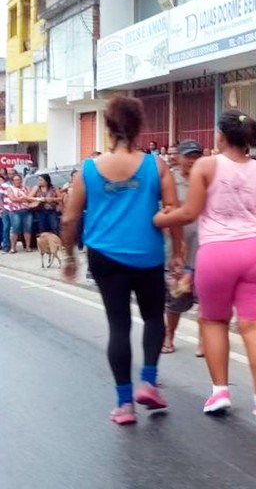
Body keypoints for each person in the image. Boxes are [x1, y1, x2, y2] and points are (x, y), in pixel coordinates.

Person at [153, 111, 256, 421]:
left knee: (214, 321)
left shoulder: (206, 165)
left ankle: (220, 392)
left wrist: (159, 219)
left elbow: (190, 212)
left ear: (221, 134)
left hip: (217, 252)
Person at [60, 96, 183, 425]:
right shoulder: (156, 166)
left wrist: (68, 256)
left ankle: (124, 404)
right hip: (147, 254)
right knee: (154, 318)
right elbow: (173, 213)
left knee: (119, 325)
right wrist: (180, 255)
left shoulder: (88, 169)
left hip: (104, 256)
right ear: (140, 126)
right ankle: (148, 380)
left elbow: (70, 219)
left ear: (109, 127)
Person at [161, 140, 205, 356]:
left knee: (206, 297)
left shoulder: (206, 179)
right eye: (188, 156)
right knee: (176, 297)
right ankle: (169, 335)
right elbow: (163, 213)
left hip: (204, 247)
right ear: (178, 157)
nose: (192, 160)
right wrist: (176, 239)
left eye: (197, 156)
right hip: (176, 251)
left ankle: (203, 340)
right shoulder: (169, 180)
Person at [6, 173, 32, 253]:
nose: (18, 181)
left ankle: (28, 247)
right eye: (16, 180)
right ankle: (13, 248)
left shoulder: (27, 188)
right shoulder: (10, 189)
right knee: (15, 229)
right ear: (12, 181)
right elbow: (12, 199)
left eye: (19, 179)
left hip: (27, 210)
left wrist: (23, 198)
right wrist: (24, 198)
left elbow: (31, 198)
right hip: (15, 211)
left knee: (27, 229)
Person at [0, 171, 10, 252]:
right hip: (4, 209)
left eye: (1, 180)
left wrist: (2, 208)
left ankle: (6, 244)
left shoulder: (5, 187)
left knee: (5, 227)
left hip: (6, 209)